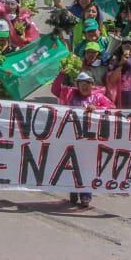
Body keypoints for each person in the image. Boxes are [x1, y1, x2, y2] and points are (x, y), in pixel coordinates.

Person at [50, 71, 114, 208]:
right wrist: (61, 74)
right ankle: (73, 191)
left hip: (91, 140)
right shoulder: (70, 94)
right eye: (81, 84)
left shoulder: (99, 97)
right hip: (72, 137)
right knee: (72, 165)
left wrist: (97, 108)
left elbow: (112, 108)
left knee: (86, 168)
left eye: (87, 84)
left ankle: (85, 195)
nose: (84, 87)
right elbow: (55, 90)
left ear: (92, 85)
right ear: (77, 85)